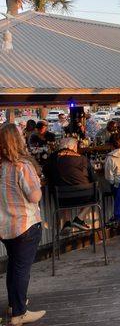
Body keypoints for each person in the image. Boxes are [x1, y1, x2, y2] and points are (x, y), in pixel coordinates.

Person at [0, 123, 46, 324]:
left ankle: (13, 304)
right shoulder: (22, 166)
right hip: (25, 224)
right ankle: (19, 313)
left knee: (13, 267)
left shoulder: (1, 167)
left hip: (5, 225)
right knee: (21, 270)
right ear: (17, 141)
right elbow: (35, 196)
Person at [44, 138, 94, 232]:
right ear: (74, 147)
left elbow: (45, 172)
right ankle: (79, 218)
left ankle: (67, 223)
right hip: (84, 196)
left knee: (61, 188)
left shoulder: (52, 158)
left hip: (61, 198)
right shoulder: (82, 158)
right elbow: (93, 178)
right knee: (95, 192)